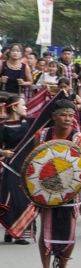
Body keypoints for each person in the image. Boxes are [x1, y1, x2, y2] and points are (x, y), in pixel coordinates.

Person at [34, 100, 81, 268]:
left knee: (70, 231)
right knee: (46, 228)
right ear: (54, 116)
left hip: (70, 189)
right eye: (63, 115)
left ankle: (63, 265)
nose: (67, 119)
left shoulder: (79, 140)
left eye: (70, 115)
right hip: (47, 188)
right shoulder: (42, 136)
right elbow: (36, 162)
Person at [0, 93, 33, 244]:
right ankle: (12, 231)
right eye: (23, 105)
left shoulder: (28, 124)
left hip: (27, 165)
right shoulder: (4, 126)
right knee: (14, 198)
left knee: (26, 198)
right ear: (14, 107)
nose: (26, 107)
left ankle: (18, 232)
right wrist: (3, 152)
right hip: (11, 165)